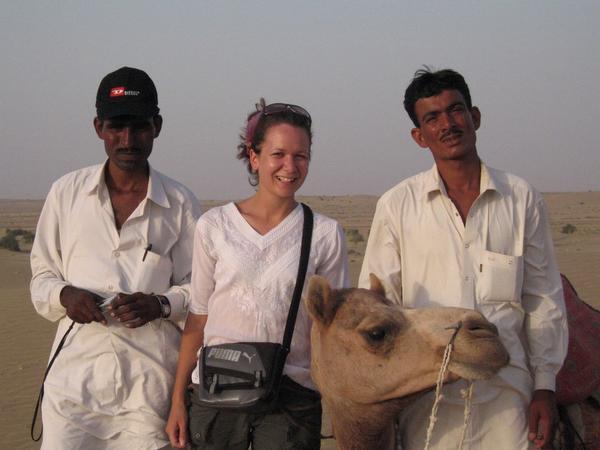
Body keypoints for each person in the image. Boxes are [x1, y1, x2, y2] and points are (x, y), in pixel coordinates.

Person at [359, 68, 567, 450]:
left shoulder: (521, 199)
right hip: (426, 398)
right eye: (432, 117)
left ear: (475, 117)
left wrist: (544, 387)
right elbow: (378, 308)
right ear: (419, 136)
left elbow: (542, 298)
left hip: (508, 395)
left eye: (455, 110)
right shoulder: (397, 206)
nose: (448, 124)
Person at [30, 66, 201, 449]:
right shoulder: (66, 194)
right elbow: (41, 277)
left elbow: (200, 292)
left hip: (150, 390)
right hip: (73, 389)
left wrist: (159, 304)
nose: (127, 140)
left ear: (156, 126)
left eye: (139, 126)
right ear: (98, 127)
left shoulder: (180, 203)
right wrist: (65, 296)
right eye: (116, 127)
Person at [166, 99, 349, 449]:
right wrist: (177, 401)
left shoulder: (325, 233)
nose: (289, 166)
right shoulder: (215, 226)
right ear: (254, 157)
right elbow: (197, 321)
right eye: (278, 154)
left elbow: (332, 333)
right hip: (217, 393)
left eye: (301, 156)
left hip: (292, 401)